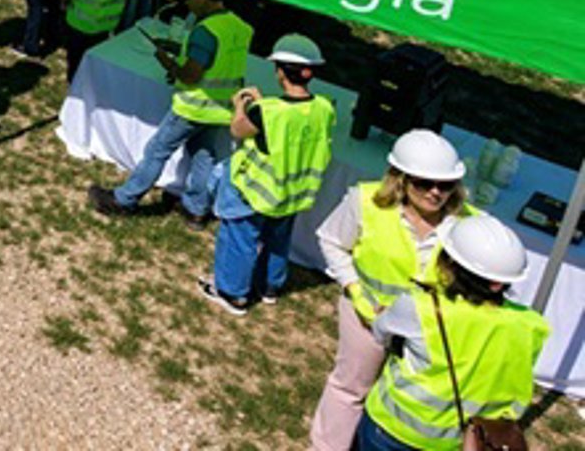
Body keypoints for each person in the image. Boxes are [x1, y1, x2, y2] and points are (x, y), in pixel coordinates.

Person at [309, 130, 475, 451]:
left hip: (428, 332)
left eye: (446, 184)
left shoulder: (468, 223)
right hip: (367, 317)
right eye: (424, 183)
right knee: (350, 388)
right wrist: (354, 289)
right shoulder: (364, 202)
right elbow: (331, 240)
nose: (436, 192)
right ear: (400, 178)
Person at [358, 216, 550, 451]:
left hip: (392, 429)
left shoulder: (421, 307)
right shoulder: (533, 325)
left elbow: (380, 333)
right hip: (459, 440)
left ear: (448, 263)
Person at [91, 0, 254, 228]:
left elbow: (191, 75)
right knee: (204, 156)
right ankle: (196, 211)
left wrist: (169, 63)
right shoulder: (240, 27)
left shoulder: (206, 31)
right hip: (220, 109)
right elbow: (220, 61)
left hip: (193, 107)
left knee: (157, 150)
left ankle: (124, 200)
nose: (185, 5)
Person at [202, 34, 337, 314]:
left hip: (256, 191)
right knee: (278, 241)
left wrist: (241, 105)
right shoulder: (324, 107)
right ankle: (269, 286)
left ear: (280, 72)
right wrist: (264, 106)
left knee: (239, 238)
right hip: (293, 194)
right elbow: (293, 124)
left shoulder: (266, 111)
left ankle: (232, 293)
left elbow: (239, 130)